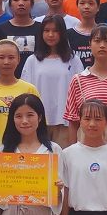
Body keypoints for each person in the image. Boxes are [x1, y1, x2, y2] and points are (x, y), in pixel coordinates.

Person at [21, 15, 84, 147]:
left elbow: (81, 91)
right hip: (38, 122)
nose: (51, 35)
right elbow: (25, 93)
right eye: (47, 30)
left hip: (66, 122)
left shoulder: (73, 60)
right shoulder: (32, 61)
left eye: (55, 31)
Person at [0, 40, 40, 141]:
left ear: (18, 60)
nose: (6, 62)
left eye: (11, 57)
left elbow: (40, 123)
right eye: (1, 57)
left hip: (24, 148)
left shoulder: (30, 89)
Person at [0, 0, 42, 77]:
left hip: (35, 78)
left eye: (25, 0)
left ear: (32, 3)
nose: (21, 3)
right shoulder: (0, 30)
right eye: (16, 0)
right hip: (8, 80)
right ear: (10, 4)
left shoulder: (41, 29)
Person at [67, 0, 102, 68]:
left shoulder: (104, 33)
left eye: (91, 3)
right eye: (82, 3)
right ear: (77, 6)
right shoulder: (68, 34)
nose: (86, 7)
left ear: (98, 7)